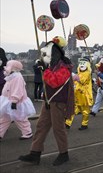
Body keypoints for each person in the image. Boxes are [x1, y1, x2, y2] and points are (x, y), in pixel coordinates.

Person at [19, 36, 75, 166]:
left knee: (58, 128)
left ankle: (64, 153)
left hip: (58, 102)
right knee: (41, 126)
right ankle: (35, 153)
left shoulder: (65, 67)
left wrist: (44, 70)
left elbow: (54, 82)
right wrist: (44, 67)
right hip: (48, 101)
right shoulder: (51, 65)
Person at [0, 60, 36, 141]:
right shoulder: (12, 76)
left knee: (20, 118)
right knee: (4, 118)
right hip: (9, 101)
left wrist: (14, 101)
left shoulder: (17, 77)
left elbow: (18, 90)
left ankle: (27, 132)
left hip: (16, 102)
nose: (5, 68)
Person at [65, 57, 93, 130]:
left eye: (83, 63)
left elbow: (81, 80)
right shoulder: (80, 73)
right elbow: (75, 82)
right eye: (81, 63)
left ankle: (84, 124)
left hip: (84, 96)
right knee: (73, 110)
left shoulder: (87, 73)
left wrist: (72, 74)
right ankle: (67, 123)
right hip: (77, 95)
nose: (81, 65)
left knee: (85, 111)